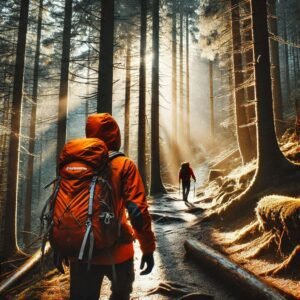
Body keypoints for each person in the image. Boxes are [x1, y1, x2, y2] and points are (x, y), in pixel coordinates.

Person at [69, 113, 155, 300]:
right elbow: (137, 211)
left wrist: (61, 248)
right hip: (117, 252)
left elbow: (62, 208)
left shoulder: (74, 165)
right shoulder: (124, 165)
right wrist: (147, 248)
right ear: (115, 135)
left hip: (81, 252)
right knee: (121, 295)